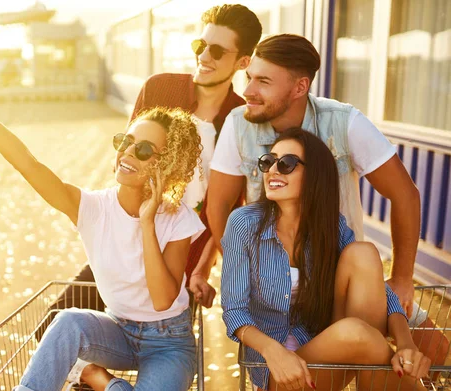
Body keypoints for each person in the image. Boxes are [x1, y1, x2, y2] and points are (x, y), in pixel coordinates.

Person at [0, 48, 205, 390]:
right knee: (67, 320)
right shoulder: (91, 207)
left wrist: (146, 222)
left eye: (143, 150)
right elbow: (26, 162)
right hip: (117, 331)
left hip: (169, 343)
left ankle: (97, 379)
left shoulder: (177, 219)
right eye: (125, 142)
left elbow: (162, 299)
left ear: (166, 163)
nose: (127, 153)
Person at [35, 3, 262, 331]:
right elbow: (127, 162)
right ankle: (94, 381)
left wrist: (202, 269)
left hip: (178, 259)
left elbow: (226, 209)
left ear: (243, 62)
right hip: (123, 240)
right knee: (55, 327)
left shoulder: (242, 121)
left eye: (217, 50)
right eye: (200, 45)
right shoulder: (160, 89)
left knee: (152, 353)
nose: (204, 56)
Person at [207, 33, 420, 316]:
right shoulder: (238, 125)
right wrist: (245, 272)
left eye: (263, 81)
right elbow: (218, 205)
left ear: (300, 87)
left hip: (343, 275)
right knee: (351, 347)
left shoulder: (345, 122)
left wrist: (403, 279)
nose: (248, 91)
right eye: (249, 77)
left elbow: (405, 194)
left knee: (435, 346)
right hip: (275, 282)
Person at [221, 127, 431, 391]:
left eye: (286, 164)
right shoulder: (243, 224)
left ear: (314, 176)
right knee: (357, 333)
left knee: (364, 254)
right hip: (279, 371)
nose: (272, 170)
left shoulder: (330, 226)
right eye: (268, 161)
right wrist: (273, 351)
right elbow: (234, 311)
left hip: (330, 352)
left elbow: (380, 291)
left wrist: (406, 343)